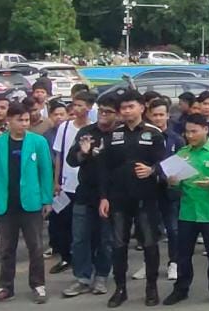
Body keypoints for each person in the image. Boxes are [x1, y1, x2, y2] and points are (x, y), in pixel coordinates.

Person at [97, 88, 170, 307]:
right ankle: (120, 288)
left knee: (149, 243)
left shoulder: (153, 133)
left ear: (142, 107)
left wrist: (152, 170)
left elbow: (166, 164)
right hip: (118, 198)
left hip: (145, 198)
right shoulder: (114, 134)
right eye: (123, 108)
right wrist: (103, 197)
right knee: (119, 245)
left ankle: (151, 287)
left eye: (131, 106)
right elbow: (104, 169)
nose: (127, 111)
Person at [0, 103, 54, 304]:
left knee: (36, 247)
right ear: (9, 121)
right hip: (7, 203)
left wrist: (47, 199)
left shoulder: (38, 142)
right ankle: (6, 287)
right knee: (6, 248)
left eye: (26, 120)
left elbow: (45, 171)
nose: (24, 124)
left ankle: (38, 284)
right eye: (19, 120)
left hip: (31, 202)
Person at [162, 114, 209, 307]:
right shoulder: (183, 154)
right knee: (183, 254)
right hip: (188, 212)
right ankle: (181, 289)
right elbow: (175, 185)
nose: (190, 135)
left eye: (194, 131)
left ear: (205, 130)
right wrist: (172, 182)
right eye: (187, 131)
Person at [63, 94, 119, 298]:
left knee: (106, 239)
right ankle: (82, 277)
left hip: (111, 196)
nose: (103, 115)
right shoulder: (87, 132)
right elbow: (72, 160)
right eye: (101, 110)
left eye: (109, 112)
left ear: (118, 114)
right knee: (79, 238)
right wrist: (83, 152)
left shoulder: (120, 134)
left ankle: (102, 275)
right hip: (85, 193)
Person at [49, 93, 94, 278]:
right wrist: (56, 180)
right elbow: (59, 155)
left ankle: (88, 260)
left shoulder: (93, 128)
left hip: (86, 184)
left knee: (84, 226)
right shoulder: (65, 127)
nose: (75, 108)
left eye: (80, 105)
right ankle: (66, 257)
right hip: (67, 184)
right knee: (61, 223)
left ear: (89, 107)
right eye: (74, 105)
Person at [142, 98, 183, 282]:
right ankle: (149, 263)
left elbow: (182, 161)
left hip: (170, 190)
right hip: (148, 189)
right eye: (155, 115)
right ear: (149, 115)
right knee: (148, 229)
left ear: (168, 115)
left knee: (173, 229)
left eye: (161, 114)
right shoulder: (144, 136)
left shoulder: (176, 139)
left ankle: (174, 262)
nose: (158, 118)